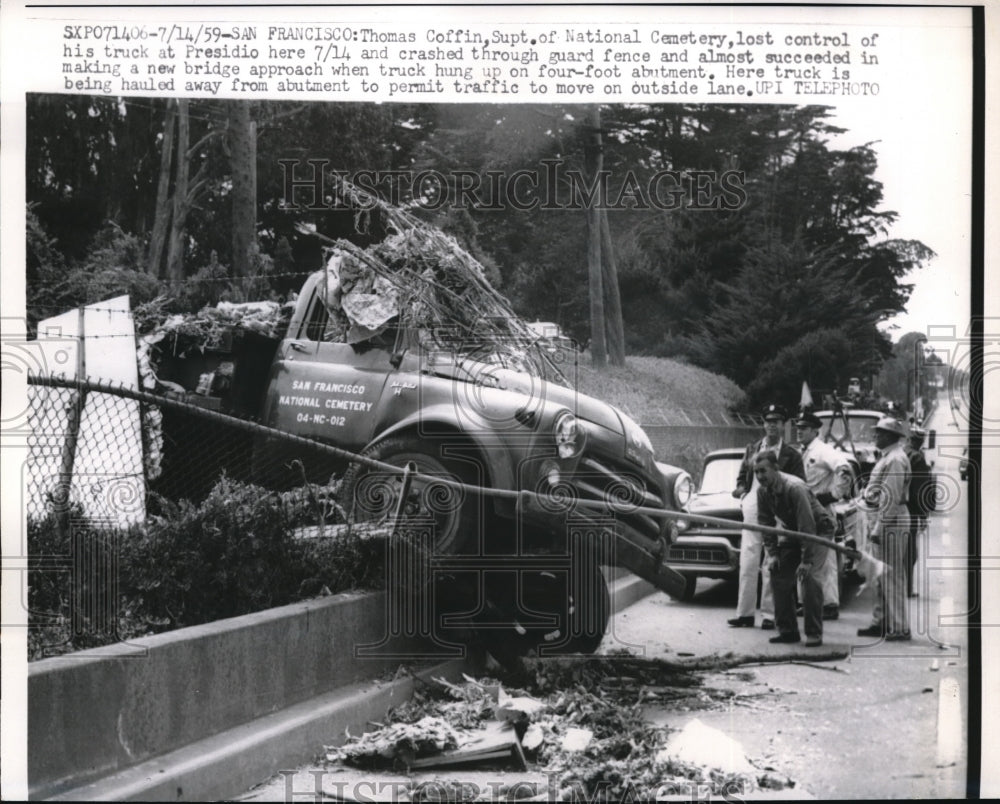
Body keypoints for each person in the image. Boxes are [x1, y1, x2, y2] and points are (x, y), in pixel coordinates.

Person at [729, 404, 806, 630]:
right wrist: (742, 490)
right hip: (753, 504)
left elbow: (799, 482)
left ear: (784, 425)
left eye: (777, 421)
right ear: (763, 424)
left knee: (772, 559)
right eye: (768, 421)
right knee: (748, 558)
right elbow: (743, 474)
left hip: (778, 507)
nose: (772, 425)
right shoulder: (753, 448)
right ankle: (744, 613)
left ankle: (770, 614)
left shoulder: (791, 455)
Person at [754, 451, 836, 646]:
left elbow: (807, 526)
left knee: (809, 579)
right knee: (778, 573)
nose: (759, 477)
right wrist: (773, 555)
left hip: (818, 530)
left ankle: (814, 633)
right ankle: (788, 631)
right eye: (756, 472)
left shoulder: (795, 487)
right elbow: (765, 523)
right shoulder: (762, 491)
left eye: (763, 471)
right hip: (793, 531)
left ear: (776, 468)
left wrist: (807, 561)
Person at [857, 416, 912, 641]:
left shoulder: (896, 459)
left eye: (880, 432)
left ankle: (899, 626)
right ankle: (881, 621)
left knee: (891, 573)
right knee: (879, 574)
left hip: (891, 520)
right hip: (883, 518)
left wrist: (879, 528)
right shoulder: (887, 457)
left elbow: (890, 497)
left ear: (890, 436)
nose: (875, 435)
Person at [794, 411, 854, 620]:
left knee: (826, 559)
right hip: (803, 510)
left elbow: (844, 468)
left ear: (815, 430)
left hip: (820, 509)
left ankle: (829, 604)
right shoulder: (801, 451)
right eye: (798, 427)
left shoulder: (823, 451)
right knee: (805, 555)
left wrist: (835, 494)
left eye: (804, 428)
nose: (799, 431)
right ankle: (806, 602)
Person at [905, 426, 934, 598]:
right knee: (910, 553)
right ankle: (906, 588)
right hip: (910, 511)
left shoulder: (900, 454)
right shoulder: (917, 458)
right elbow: (920, 491)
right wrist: (923, 515)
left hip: (893, 510)